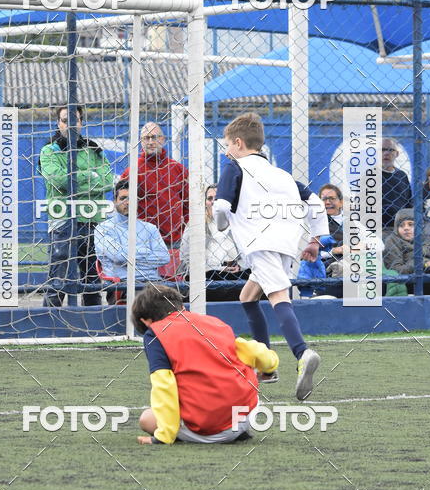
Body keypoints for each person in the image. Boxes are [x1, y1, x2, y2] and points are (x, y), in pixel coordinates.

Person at [213, 112, 328, 397]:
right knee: (248, 297)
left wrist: (223, 226)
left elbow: (219, 208)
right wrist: (313, 240)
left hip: (260, 243)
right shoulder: (283, 175)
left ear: (238, 143)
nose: (226, 151)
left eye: (227, 144)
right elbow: (315, 204)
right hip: (287, 243)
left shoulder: (234, 167)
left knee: (278, 296)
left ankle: (302, 354)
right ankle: (266, 367)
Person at [132, 284, 279, 444]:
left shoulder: (154, 334)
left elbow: (164, 385)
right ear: (181, 306)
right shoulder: (211, 321)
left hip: (207, 429)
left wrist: (164, 436)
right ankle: (236, 431)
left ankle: (191, 433)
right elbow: (252, 351)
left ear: (145, 321)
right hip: (247, 413)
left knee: (147, 419)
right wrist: (270, 368)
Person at [39, 105, 114, 306]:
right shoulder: (48, 150)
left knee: (92, 279)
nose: (70, 125)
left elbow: (107, 182)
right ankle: (49, 323)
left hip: (92, 222)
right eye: (65, 121)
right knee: (59, 280)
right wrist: (89, 176)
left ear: (81, 123)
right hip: (63, 222)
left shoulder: (93, 150)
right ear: (58, 123)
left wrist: (74, 180)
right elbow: (58, 180)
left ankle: (94, 327)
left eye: (75, 120)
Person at [120, 121, 189, 247]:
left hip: (176, 241)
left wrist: (183, 231)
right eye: (146, 138)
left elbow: (188, 204)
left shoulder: (178, 169)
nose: (150, 142)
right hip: (145, 242)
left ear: (162, 139)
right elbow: (121, 206)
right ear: (141, 141)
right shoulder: (133, 171)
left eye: (154, 137)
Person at [94, 180, 170, 285]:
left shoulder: (150, 228)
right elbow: (119, 257)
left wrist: (127, 257)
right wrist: (147, 252)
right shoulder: (102, 229)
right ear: (115, 201)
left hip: (154, 282)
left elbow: (164, 257)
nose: (128, 202)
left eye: (132, 198)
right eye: (123, 198)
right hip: (121, 285)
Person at [178, 184, 247, 300]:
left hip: (236, 276)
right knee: (211, 277)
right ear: (204, 203)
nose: (214, 202)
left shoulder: (239, 225)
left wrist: (241, 266)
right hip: (207, 276)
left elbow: (250, 255)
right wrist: (218, 269)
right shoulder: (195, 226)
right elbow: (185, 261)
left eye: (218, 199)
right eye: (210, 199)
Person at [383, 208, 430, 295]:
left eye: (410, 224)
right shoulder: (392, 241)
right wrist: (424, 263)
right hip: (409, 281)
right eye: (401, 225)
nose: (406, 228)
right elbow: (397, 271)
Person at [381, 138, 412, 232]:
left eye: (391, 150)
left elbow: (409, 202)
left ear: (397, 154)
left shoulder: (402, 175)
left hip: (402, 227)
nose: (386, 153)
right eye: (383, 150)